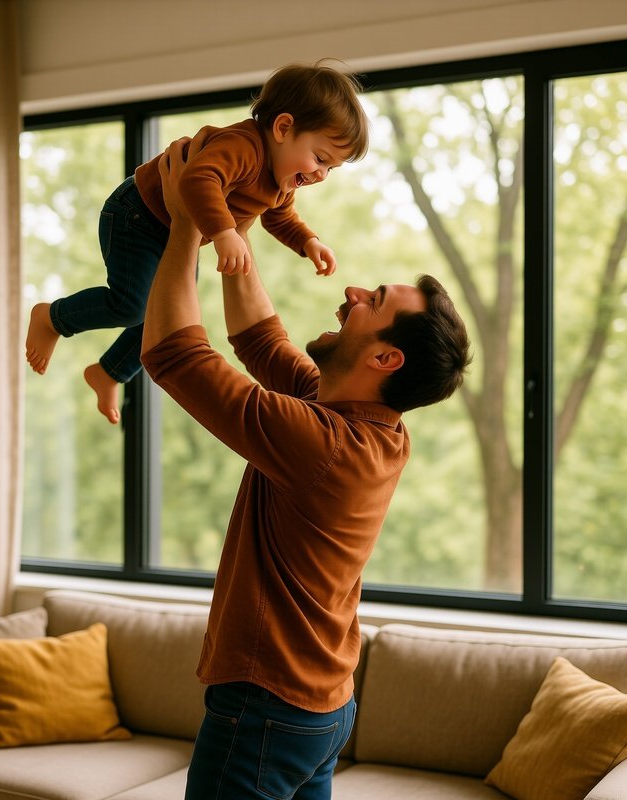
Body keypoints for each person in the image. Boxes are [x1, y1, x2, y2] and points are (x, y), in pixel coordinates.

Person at [140, 137, 472, 800]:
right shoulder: (371, 427)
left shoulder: (324, 445)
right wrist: (229, 229)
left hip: (267, 705)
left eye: (372, 299)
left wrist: (183, 225)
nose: (351, 290)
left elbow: (173, 356)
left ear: (385, 359)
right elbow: (259, 338)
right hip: (320, 707)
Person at [25, 60, 369, 424]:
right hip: (138, 216)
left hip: (175, 228)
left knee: (165, 312)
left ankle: (110, 371)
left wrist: (308, 242)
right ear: (283, 127)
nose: (321, 175)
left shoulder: (281, 179)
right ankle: (53, 318)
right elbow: (197, 180)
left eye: (331, 168)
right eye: (320, 158)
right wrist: (224, 233)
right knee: (130, 306)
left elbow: (280, 216)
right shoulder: (244, 147)